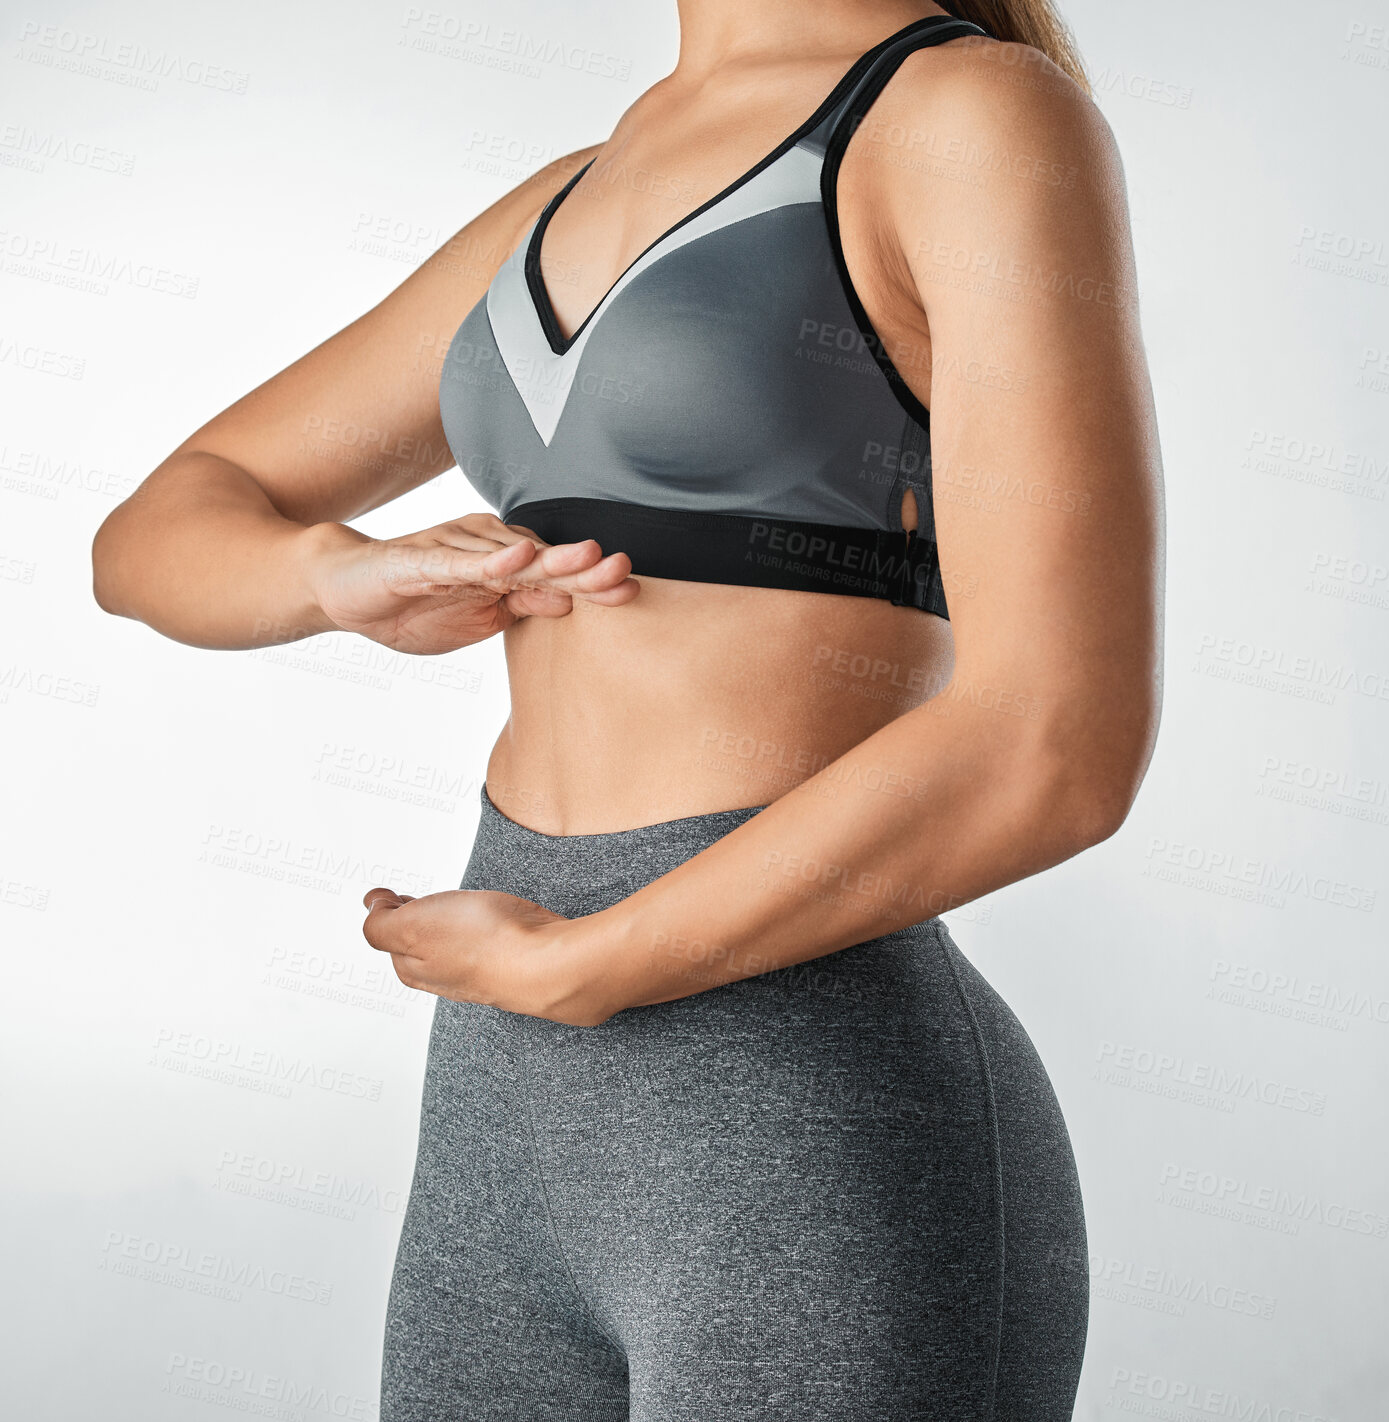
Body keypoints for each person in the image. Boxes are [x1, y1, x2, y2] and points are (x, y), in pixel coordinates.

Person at [92, 1, 1163, 1417]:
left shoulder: (962, 117)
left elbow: (1054, 745)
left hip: (798, 1099)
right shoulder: (565, 197)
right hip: (505, 1099)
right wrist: (334, 573)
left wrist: (586, 966)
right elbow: (151, 536)